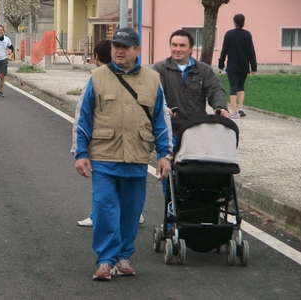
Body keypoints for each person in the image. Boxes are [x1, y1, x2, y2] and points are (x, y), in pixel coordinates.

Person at [71, 27, 172, 281]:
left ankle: (123, 256)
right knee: (105, 207)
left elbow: (161, 120)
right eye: (116, 45)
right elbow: (82, 119)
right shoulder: (97, 77)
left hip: (137, 158)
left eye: (126, 46)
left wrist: (164, 154)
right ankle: (105, 260)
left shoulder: (153, 80)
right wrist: (80, 153)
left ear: (137, 50)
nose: (119, 50)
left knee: (130, 211)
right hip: (104, 157)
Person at [153, 29, 230, 198]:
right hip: (169, 133)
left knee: (194, 175)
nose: (177, 49)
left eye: (182, 45)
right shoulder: (160, 69)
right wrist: (162, 108)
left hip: (196, 132)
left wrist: (220, 107)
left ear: (191, 49)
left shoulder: (204, 70)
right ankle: (171, 213)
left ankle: (193, 212)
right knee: (168, 176)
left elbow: (216, 91)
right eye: (174, 45)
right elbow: (153, 93)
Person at [77, 39, 145, 227]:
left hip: (103, 145)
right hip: (133, 145)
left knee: (103, 186)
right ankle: (131, 214)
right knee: (114, 183)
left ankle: (99, 215)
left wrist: (81, 148)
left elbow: (82, 114)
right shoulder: (142, 78)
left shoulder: (96, 78)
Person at [218, 13, 257, 118]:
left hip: (232, 66)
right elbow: (251, 51)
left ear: (234, 22)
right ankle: (241, 107)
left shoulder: (229, 34)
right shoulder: (247, 35)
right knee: (241, 86)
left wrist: (221, 64)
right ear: (243, 22)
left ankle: (234, 111)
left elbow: (224, 51)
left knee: (233, 87)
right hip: (244, 65)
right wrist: (254, 66)